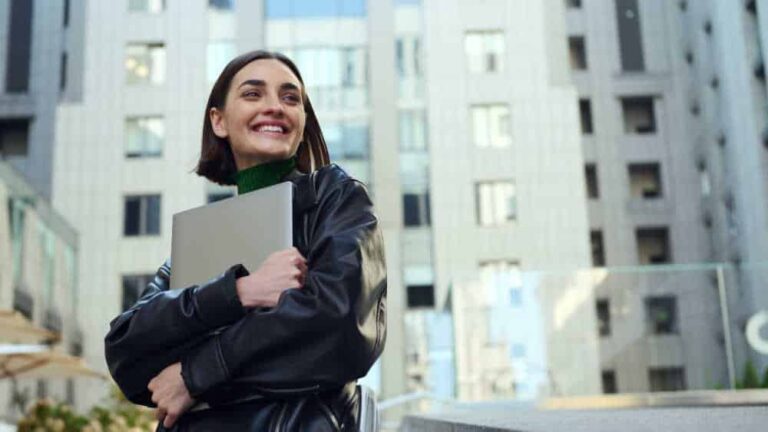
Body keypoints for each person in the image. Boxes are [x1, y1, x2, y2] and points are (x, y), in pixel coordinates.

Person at [104, 50, 387, 431]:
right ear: (219, 121)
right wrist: (239, 292)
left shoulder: (333, 198)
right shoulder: (202, 235)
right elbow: (127, 351)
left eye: (290, 98)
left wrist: (194, 374)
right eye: (253, 94)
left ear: (302, 122)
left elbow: (342, 328)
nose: (274, 107)